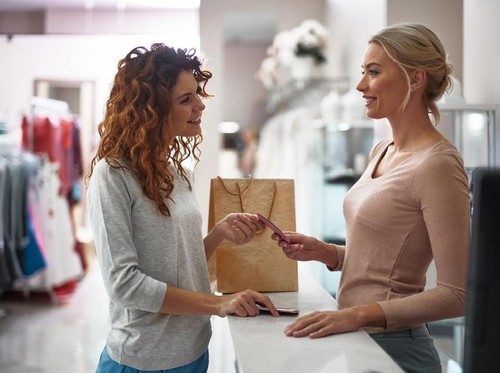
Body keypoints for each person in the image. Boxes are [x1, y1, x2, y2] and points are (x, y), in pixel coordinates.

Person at [272, 23, 470, 373]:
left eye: (374, 73)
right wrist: (327, 253)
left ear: (416, 78)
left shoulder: (438, 164)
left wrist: (358, 314)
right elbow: (386, 263)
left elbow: (458, 295)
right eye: (363, 72)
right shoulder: (382, 150)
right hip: (359, 335)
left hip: (397, 349)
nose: (361, 85)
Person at [86, 44, 278, 373]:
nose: (200, 105)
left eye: (198, 94)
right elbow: (124, 284)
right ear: (153, 108)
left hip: (193, 351)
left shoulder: (179, 173)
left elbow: (178, 269)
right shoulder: (114, 174)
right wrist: (219, 303)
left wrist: (218, 234)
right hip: (142, 359)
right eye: (186, 99)